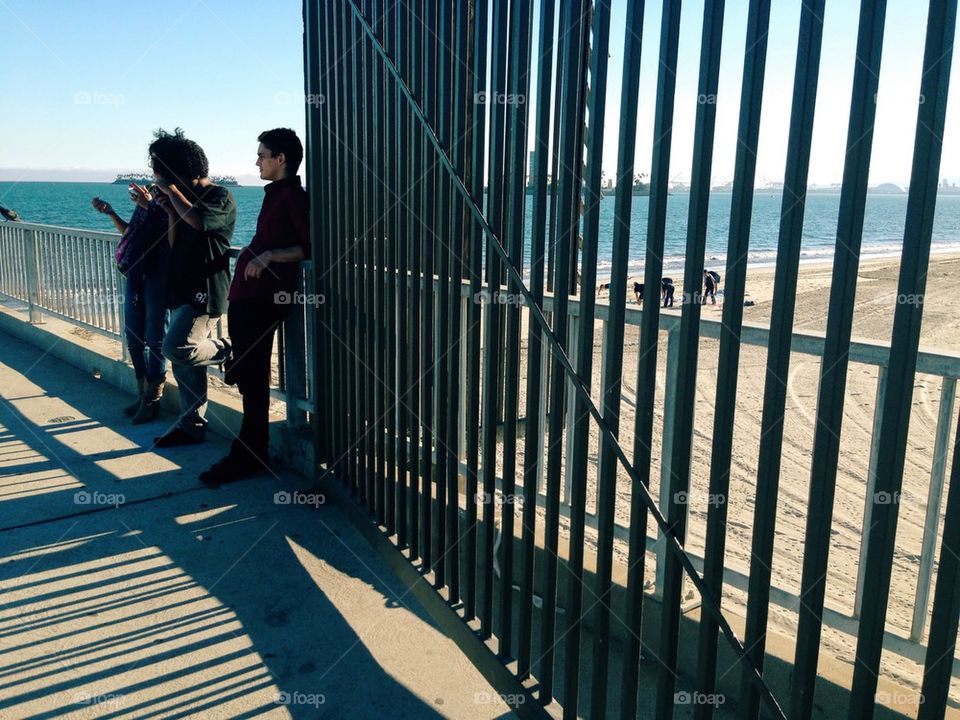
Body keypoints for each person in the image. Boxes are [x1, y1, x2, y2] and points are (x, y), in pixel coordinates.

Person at [199, 128, 309, 485]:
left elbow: (309, 247)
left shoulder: (293, 196)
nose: (257, 161)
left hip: (264, 300)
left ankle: (250, 454)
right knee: (249, 376)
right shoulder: (274, 194)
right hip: (249, 298)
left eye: (262, 155)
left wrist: (270, 255)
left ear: (281, 160)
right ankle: (249, 450)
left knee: (254, 377)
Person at [148, 128, 236, 447]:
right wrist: (170, 209)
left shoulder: (219, 196)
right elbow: (173, 240)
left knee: (177, 349)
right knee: (184, 366)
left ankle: (230, 348)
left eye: (169, 177)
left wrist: (171, 192)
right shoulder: (181, 199)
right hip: (181, 286)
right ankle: (191, 425)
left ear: (189, 173)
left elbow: (199, 222)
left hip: (206, 290)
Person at [92, 183, 170, 423]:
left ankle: (152, 402)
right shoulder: (145, 209)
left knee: (155, 340)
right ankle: (143, 395)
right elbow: (130, 233)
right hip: (136, 276)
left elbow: (170, 235)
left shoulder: (169, 207)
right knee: (134, 339)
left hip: (158, 277)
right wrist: (112, 213)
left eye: (157, 189)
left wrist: (153, 205)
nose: (152, 191)